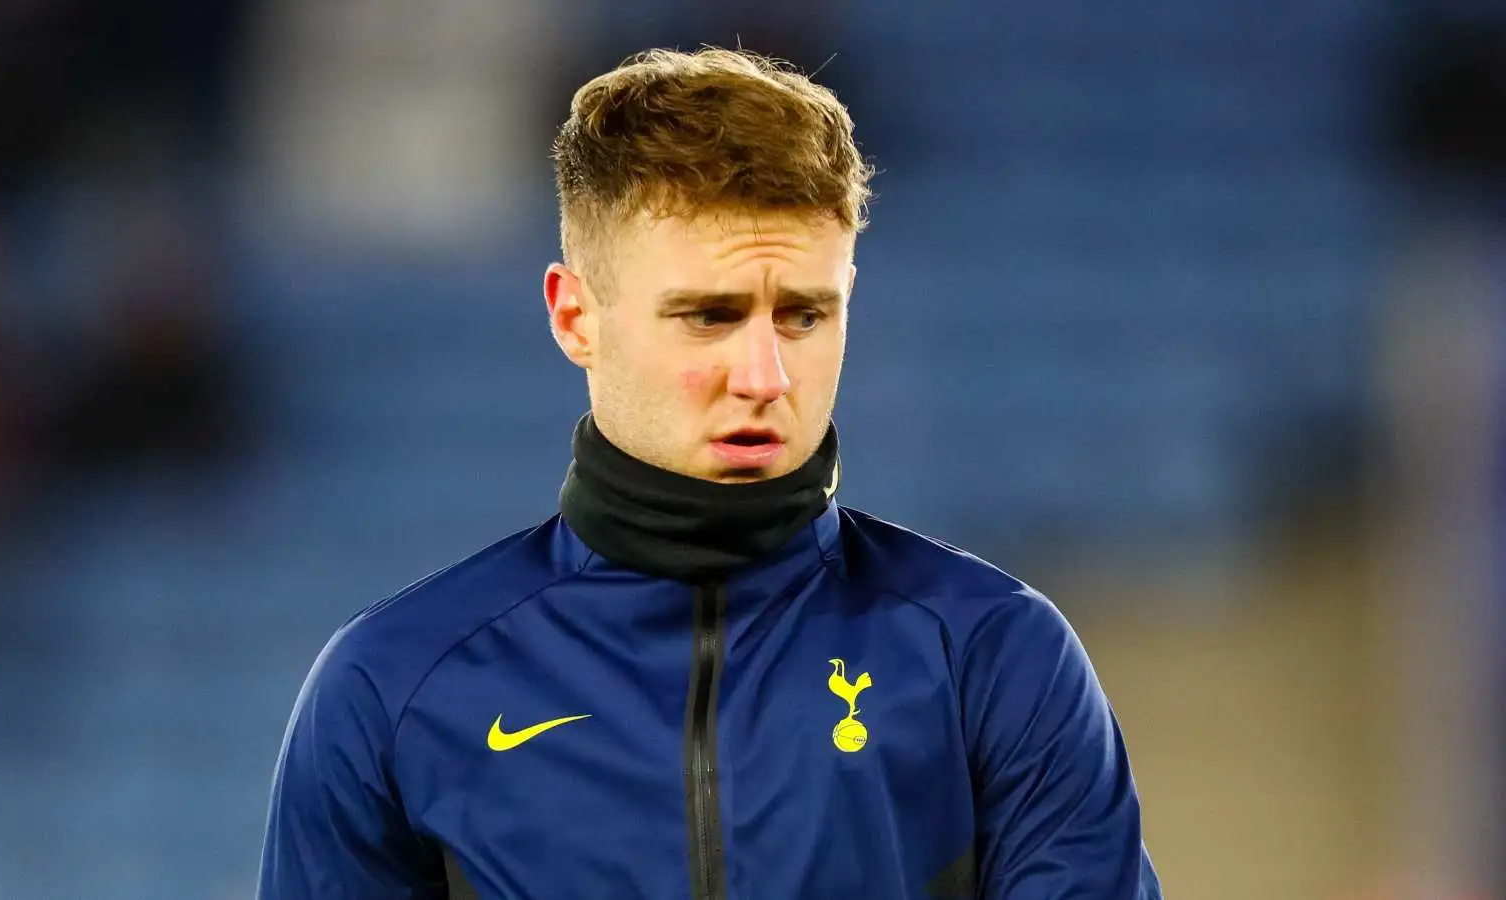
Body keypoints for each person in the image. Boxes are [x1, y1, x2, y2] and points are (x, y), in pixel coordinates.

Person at [256, 47, 1162, 900]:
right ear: (577, 317)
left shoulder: (991, 656)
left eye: (804, 316)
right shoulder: (394, 687)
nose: (765, 376)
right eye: (708, 316)